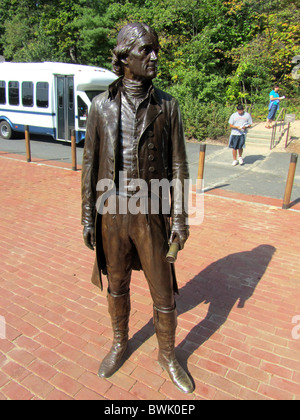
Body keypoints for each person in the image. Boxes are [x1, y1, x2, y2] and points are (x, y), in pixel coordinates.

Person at [81, 22, 194, 393]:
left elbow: (179, 164)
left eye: (155, 49)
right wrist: (87, 216)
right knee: (116, 286)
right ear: (124, 56)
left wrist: (180, 218)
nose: (154, 56)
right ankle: (119, 343)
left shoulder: (168, 105)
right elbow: (90, 162)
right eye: (146, 50)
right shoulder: (100, 106)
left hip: (152, 213)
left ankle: (168, 355)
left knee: (163, 292)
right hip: (111, 213)